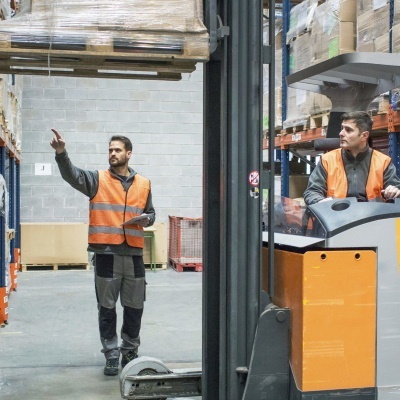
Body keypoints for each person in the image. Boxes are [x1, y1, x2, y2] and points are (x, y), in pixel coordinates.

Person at [50, 129, 155, 376]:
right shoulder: (97, 179)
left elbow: (151, 213)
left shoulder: (144, 183)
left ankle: (129, 350)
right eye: (110, 150)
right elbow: (71, 175)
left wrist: (147, 219)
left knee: (135, 306)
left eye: (117, 150)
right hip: (106, 255)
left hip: (134, 255)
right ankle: (111, 354)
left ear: (129, 154)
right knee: (107, 308)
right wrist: (61, 153)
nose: (112, 154)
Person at [303, 111, 400, 206]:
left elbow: (396, 191)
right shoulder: (327, 160)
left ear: (364, 136)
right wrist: (321, 202)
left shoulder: (383, 162)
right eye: (342, 129)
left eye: (348, 130)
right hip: (336, 218)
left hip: (373, 218)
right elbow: (312, 192)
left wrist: (394, 191)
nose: (341, 133)